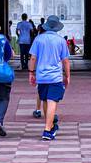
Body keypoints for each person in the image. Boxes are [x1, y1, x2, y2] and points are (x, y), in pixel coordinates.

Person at [29, 14, 70, 142]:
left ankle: (51, 125)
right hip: (55, 76)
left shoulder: (38, 39)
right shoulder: (61, 41)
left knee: (45, 100)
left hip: (41, 76)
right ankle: (47, 130)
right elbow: (65, 61)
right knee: (52, 101)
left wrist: (31, 72)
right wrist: (67, 76)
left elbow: (33, 58)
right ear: (57, 27)